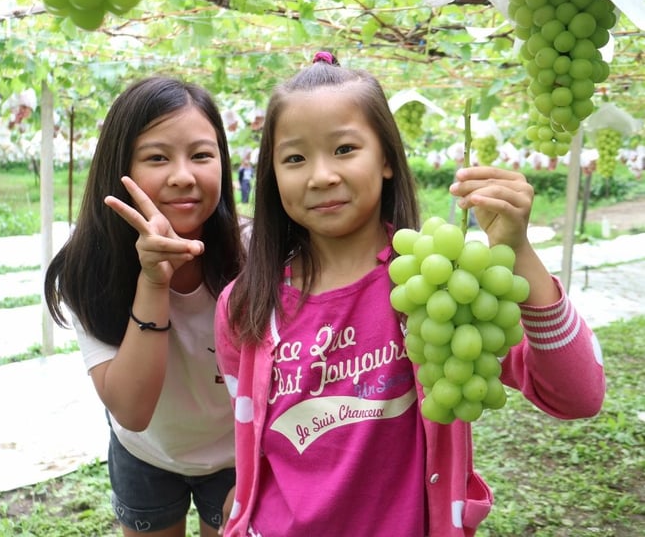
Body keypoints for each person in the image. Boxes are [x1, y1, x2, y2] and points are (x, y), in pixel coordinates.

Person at [213, 53, 605, 537]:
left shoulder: (443, 286)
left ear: (387, 162)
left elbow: (577, 396)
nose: (320, 176)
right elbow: (251, 436)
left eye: (344, 149)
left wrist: (518, 251)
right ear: (272, 176)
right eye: (294, 158)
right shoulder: (246, 305)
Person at [44, 76, 245, 537]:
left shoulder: (256, 256)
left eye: (201, 155)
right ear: (120, 166)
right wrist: (154, 280)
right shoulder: (87, 271)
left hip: (239, 454)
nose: (183, 175)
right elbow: (132, 409)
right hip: (145, 452)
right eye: (157, 157)